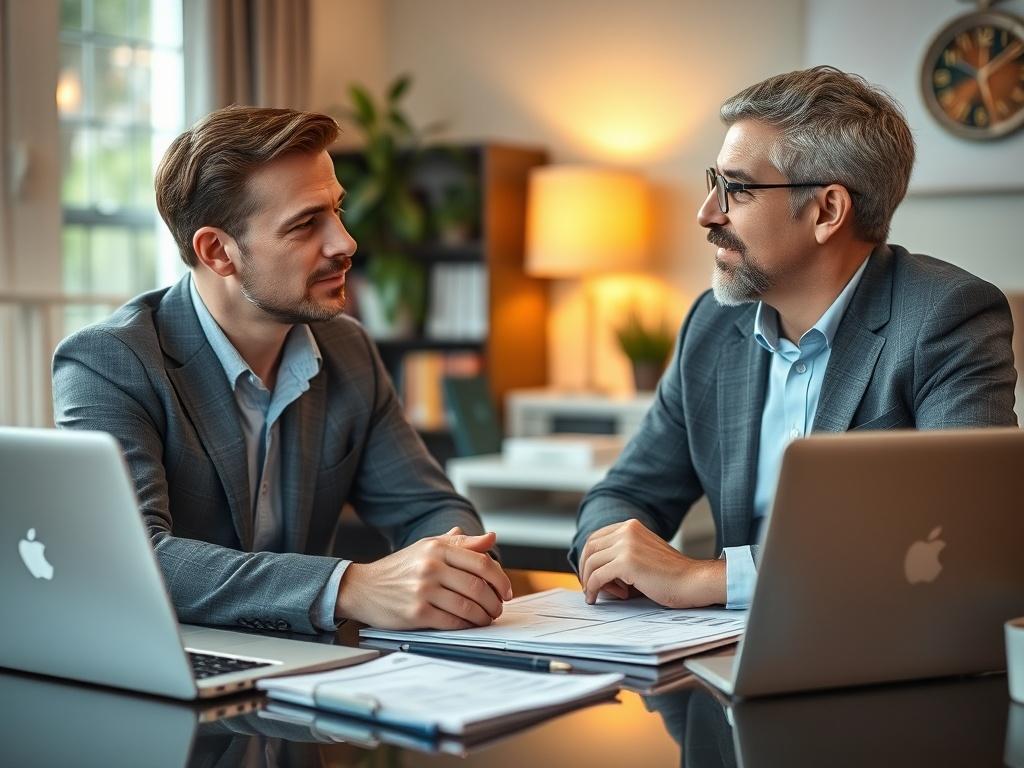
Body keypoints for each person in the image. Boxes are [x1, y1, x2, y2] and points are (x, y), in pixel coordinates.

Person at [52, 106, 512, 635]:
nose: (345, 243)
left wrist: (456, 566)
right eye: (305, 224)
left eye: (337, 211)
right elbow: (133, 556)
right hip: (160, 660)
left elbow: (426, 506)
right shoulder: (108, 362)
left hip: (303, 668)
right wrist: (348, 586)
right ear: (218, 251)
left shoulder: (348, 349)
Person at [572, 66, 1018, 610]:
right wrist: (615, 559)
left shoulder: (944, 316)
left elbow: (968, 534)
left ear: (827, 210)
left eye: (736, 188)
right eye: (714, 183)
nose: (707, 212)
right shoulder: (712, 325)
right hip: (718, 653)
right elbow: (625, 493)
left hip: (873, 654)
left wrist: (704, 580)